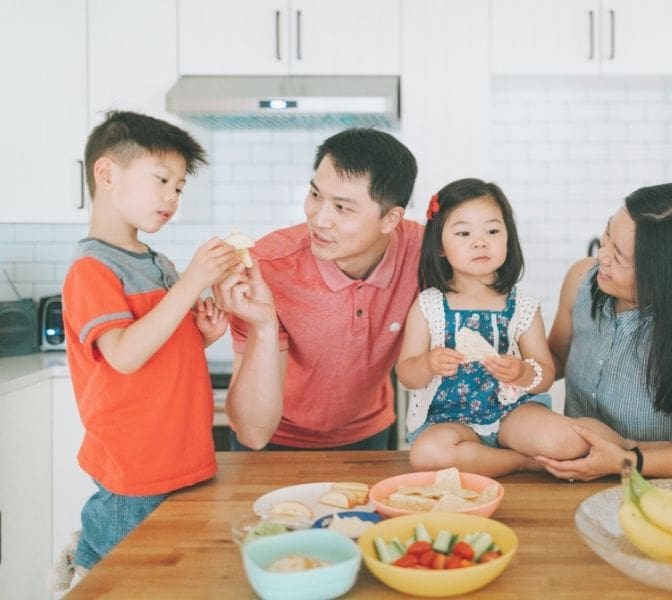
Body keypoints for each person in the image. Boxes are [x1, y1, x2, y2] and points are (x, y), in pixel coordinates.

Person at [60, 111, 239, 578]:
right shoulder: (92, 269)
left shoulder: (156, 261)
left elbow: (156, 351)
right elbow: (123, 354)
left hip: (180, 458)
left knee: (168, 578)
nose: (172, 197)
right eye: (162, 179)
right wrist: (192, 282)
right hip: (135, 471)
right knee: (122, 579)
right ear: (107, 174)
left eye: (179, 188)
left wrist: (200, 335)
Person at [213, 128, 421, 451]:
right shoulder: (265, 267)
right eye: (314, 195)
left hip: (368, 435)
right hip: (274, 440)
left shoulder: (422, 252)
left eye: (342, 208)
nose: (319, 219)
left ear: (391, 219)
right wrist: (265, 325)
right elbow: (252, 433)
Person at [396, 178, 617, 478]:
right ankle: (523, 462)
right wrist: (427, 363)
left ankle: (629, 448)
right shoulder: (429, 305)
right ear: (439, 247)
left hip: (515, 413)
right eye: (463, 233)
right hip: (451, 421)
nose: (480, 241)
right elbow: (406, 373)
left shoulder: (522, 305)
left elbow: (546, 372)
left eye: (493, 230)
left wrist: (523, 373)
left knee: (570, 440)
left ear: (508, 239)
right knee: (426, 454)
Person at [538, 182, 672, 481]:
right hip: (572, 481)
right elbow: (556, 358)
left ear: (668, 277)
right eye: (608, 235)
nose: (603, 256)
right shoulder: (581, 281)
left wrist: (626, 462)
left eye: (620, 257)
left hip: (655, 491)